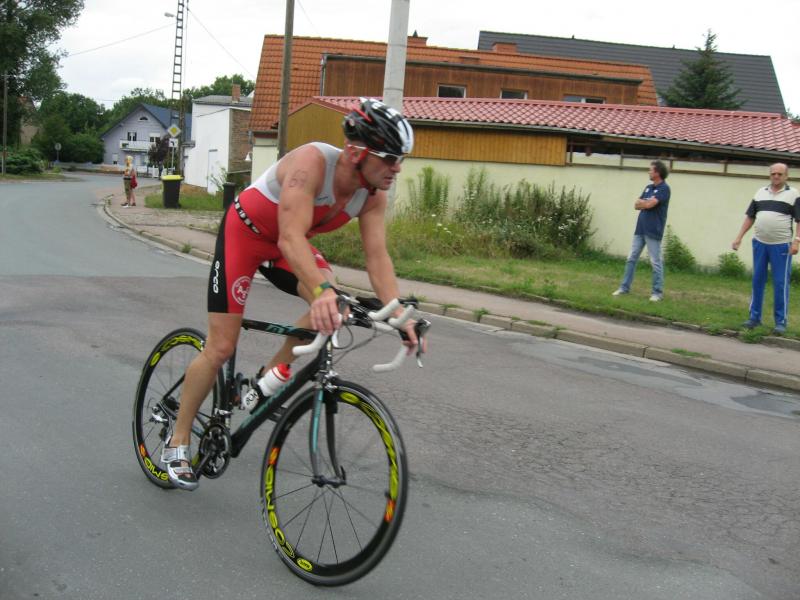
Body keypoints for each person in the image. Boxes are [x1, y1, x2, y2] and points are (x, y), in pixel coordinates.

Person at [161, 98, 423, 490]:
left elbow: (377, 257)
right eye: (389, 158)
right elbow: (289, 236)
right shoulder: (311, 164)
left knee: (334, 306)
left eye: (400, 159)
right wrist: (321, 291)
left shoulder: (372, 194)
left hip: (287, 245)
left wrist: (398, 313)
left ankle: (264, 382)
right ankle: (177, 441)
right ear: (356, 152)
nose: (397, 168)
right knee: (221, 346)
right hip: (246, 235)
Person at [731, 163, 800, 334]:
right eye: (773, 173)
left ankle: (780, 322)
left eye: (779, 174)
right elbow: (750, 217)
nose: (776, 176)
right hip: (760, 243)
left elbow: (799, 220)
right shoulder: (760, 192)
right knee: (757, 280)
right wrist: (739, 237)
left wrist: (796, 241)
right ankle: (754, 318)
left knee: (780, 283)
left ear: (786, 176)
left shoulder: (793, 194)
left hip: (781, 246)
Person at [612, 160, 671, 301]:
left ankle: (657, 293)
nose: (648, 172)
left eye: (651, 170)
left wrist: (645, 203)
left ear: (657, 172)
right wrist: (646, 203)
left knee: (655, 262)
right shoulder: (648, 188)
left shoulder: (664, 188)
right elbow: (636, 205)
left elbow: (650, 204)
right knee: (631, 258)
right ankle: (624, 288)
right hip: (640, 229)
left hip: (653, 230)